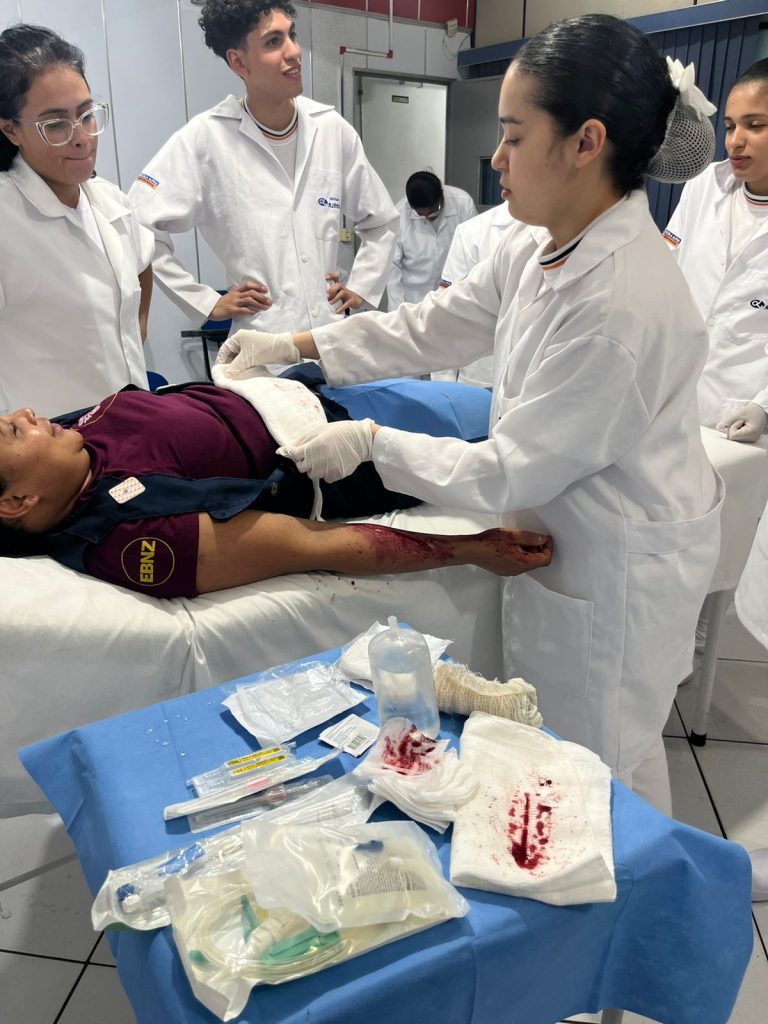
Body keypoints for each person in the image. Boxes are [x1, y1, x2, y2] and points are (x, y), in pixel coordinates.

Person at [216, 15, 723, 814]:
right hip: (569, 530)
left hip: (619, 561)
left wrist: (371, 443)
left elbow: (508, 467)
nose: (495, 160)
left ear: (585, 142)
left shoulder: (619, 302)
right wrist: (298, 343)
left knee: (607, 773)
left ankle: (655, 918)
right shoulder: (541, 243)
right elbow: (432, 325)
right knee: (568, 755)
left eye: (514, 136)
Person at [0, 379, 551, 599]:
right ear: (16, 502)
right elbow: (312, 545)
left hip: (303, 389)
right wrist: (470, 550)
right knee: (532, 433)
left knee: (499, 390)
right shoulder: (132, 535)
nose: (27, 413)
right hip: (349, 451)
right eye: (13, 431)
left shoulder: (70, 440)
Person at [128, 0, 397, 340]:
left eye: (292, 36)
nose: (294, 52)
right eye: (274, 42)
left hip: (331, 337)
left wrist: (362, 285)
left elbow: (382, 219)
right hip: (263, 342)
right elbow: (137, 224)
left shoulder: (330, 129)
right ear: (238, 61)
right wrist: (206, 302)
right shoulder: (205, 140)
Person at [0, 24, 154, 418]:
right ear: (10, 129)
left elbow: (142, 265)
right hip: (52, 452)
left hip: (126, 437)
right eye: (55, 125)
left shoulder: (109, 202)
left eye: (86, 115)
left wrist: (133, 335)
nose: (82, 137)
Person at [664, 58, 768, 444]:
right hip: (676, 398)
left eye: (755, 126)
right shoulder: (704, 185)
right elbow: (667, 269)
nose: (735, 141)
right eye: (729, 126)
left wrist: (764, 405)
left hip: (747, 421)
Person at [433, 201, 539, 387]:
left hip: (538, 380)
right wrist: (444, 388)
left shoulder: (571, 232)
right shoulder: (473, 232)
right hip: (480, 378)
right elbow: (448, 318)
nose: (499, 169)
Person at [387, 170, 476, 309]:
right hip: (413, 300)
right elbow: (392, 268)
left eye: (434, 211)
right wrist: (398, 310)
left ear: (441, 196)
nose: (428, 218)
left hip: (454, 296)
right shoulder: (399, 214)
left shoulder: (463, 204)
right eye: (421, 215)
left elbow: (473, 254)